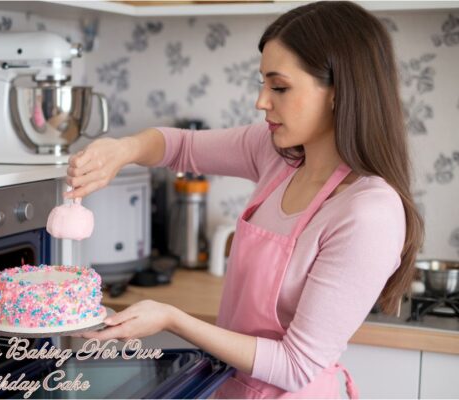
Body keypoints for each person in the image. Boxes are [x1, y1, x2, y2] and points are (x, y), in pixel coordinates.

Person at [65, 1, 424, 398]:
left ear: (339, 92)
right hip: (228, 386)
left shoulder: (368, 213)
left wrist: (171, 317)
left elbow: (295, 365)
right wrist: (124, 149)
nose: (262, 102)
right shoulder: (278, 154)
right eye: (262, 84)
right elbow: (181, 146)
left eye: (280, 87)